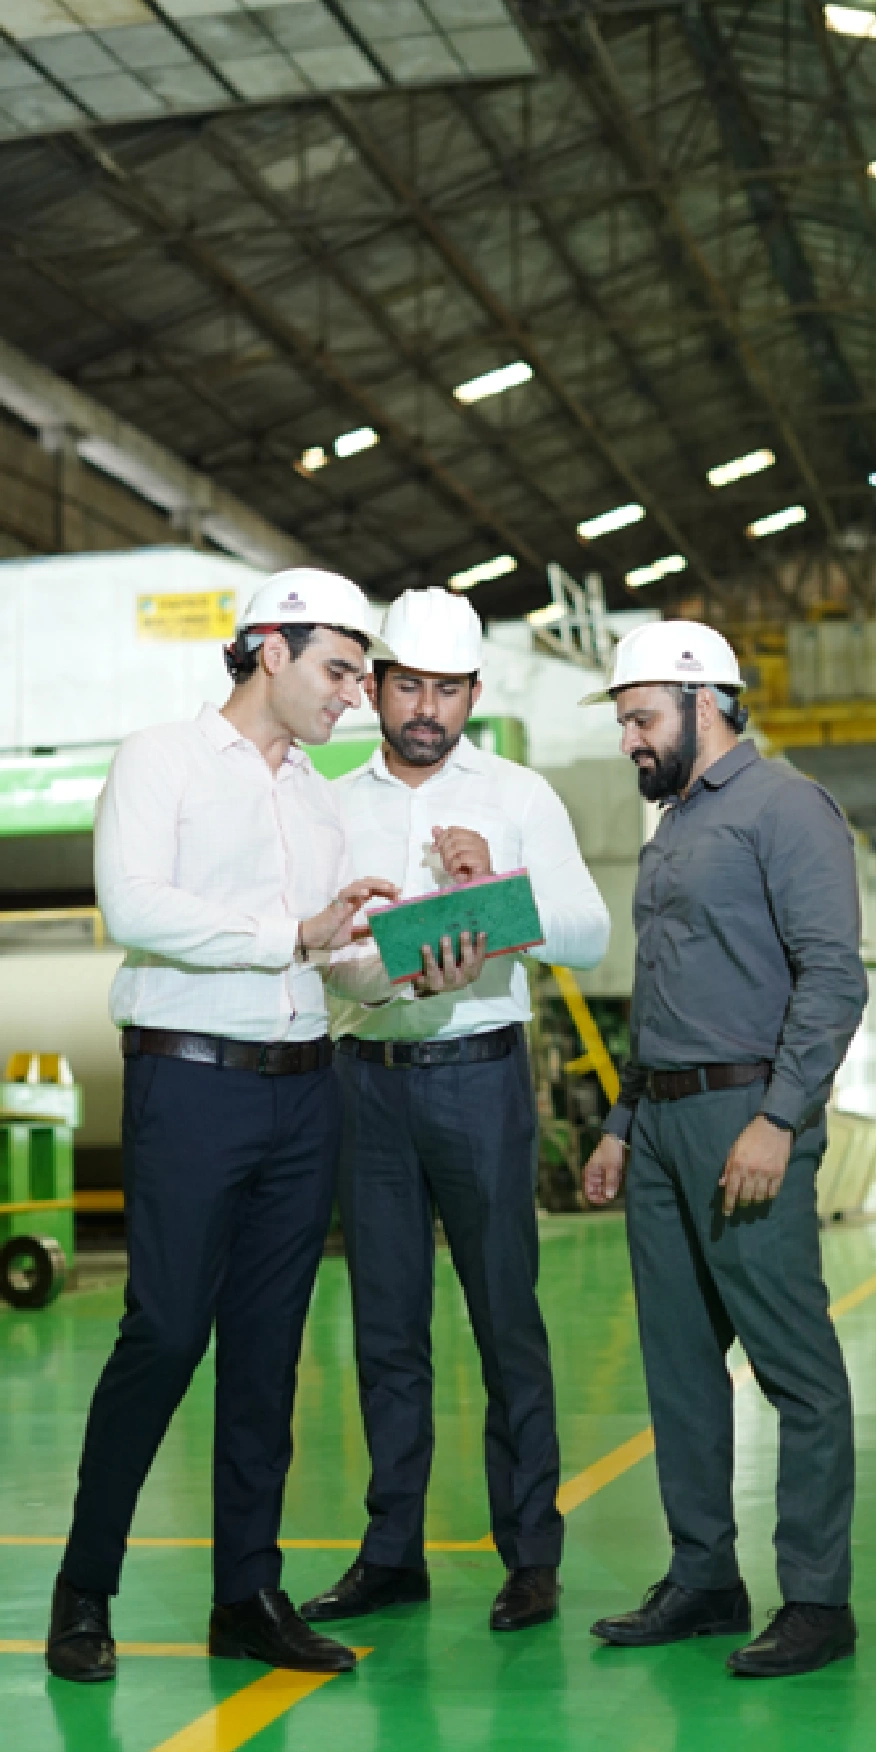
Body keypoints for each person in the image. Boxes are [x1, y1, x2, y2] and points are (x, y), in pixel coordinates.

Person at [46, 568, 399, 1684]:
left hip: (305, 1088)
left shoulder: (321, 800)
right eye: (340, 669)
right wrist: (293, 932)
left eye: (361, 676)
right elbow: (136, 905)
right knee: (163, 1334)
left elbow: (337, 959)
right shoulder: (162, 759)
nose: (354, 694)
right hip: (189, 1083)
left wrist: (407, 966)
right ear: (271, 650)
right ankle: (84, 1591)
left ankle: (247, 1594)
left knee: (266, 1353)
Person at [299, 587, 610, 1634]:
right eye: (407, 687)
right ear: (375, 688)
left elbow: (588, 933)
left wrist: (492, 885)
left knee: (505, 1320)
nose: (426, 710)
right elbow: (325, 958)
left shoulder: (520, 794)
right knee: (387, 1329)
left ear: (474, 692)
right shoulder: (328, 804)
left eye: (446, 690)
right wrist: (397, 972)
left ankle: (531, 1556)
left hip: (481, 1079)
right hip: (367, 1082)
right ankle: (393, 1554)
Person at [582, 619, 868, 1679]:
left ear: (705, 703)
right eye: (624, 722)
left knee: (795, 1368)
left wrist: (778, 1118)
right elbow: (663, 990)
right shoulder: (675, 825)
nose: (630, 740)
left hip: (745, 1116)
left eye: (641, 718)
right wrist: (622, 1123)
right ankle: (704, 1577)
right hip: (661, 1123)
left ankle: (818, 1601)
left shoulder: (787, 809)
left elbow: (834, 977)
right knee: (678, 1366)